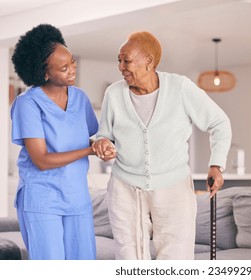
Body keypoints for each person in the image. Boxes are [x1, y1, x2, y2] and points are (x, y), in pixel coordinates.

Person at [92, 31, 232, 260]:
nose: (120, 67)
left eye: (126, 60)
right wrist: (102, 144)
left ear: (149, 61)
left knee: (176, 254)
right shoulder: (114, 93)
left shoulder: (180, 88)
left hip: (173, 185)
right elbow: (104, 135)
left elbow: (219, 123)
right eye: (119, 60)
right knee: (129, 256)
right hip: (125, 186)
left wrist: (216, 165)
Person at [10, 24, 105, 260]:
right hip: (42, 198)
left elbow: (90, 137)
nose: (73, 70)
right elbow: (41, 160)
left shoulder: (80, 98)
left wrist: (102, 144)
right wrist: (90, 150)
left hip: (78, 196)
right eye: (64, 68)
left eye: (73, 62)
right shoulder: (28, 104)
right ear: (44, 73)